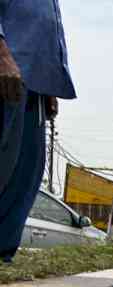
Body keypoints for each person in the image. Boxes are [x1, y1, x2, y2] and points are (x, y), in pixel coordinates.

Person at [0, 1, 76, 262]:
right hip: (7, 74)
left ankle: (2, 256)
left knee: (27, 173)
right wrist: (2, 56)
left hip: (35, 85)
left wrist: (50, 85)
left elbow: (45, 27)